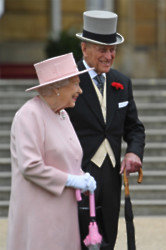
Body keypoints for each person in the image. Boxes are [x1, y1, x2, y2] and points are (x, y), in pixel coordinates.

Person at [66, 10, 145, 249]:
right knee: (77, 239)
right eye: (103, 49)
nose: (109, 55)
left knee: (108, 238)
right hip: (77, 173)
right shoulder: (67, 81)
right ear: (84, 48)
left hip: (111, 176)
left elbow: (135, 128)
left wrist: (133, 152)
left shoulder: (122, 82)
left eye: (112, 50)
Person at [7, 53, 97, 250]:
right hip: (39, 214)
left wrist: (82, 177)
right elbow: (30, 166)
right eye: (76, 84)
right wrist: (71, 180)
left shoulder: (63, 114)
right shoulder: (29, 115)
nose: (80, 91)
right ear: (57, 87)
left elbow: (68, 158)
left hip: (64, 212)